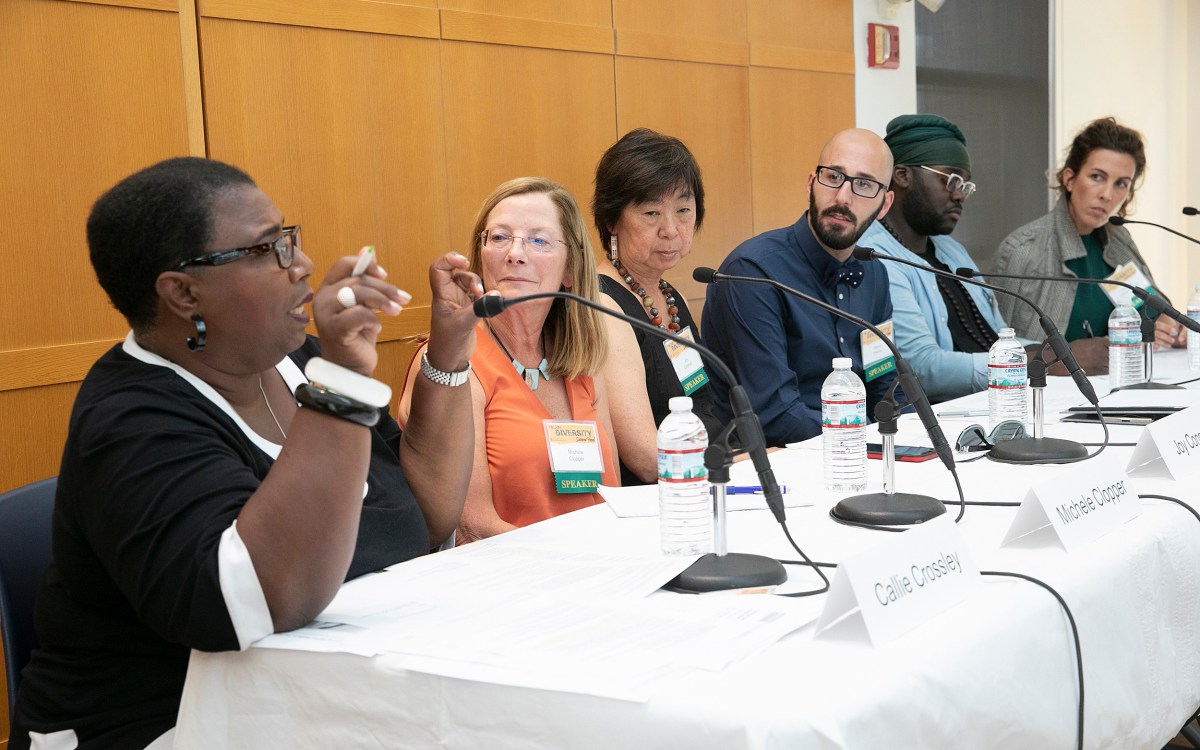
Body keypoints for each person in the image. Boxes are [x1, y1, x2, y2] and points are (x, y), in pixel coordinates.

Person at [10, 157, 480, 750]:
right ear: (183, 292)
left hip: (312, 698)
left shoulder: (298, 361)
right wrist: (338, 389)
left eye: (289, 238)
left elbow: (421, 516)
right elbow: (253, 600)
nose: (302, 264)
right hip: (161, 723)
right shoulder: (130, 419)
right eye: (267, 250)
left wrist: (451, 346)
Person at [398, 177, 621, 544]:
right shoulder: (454, 365)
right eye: (499, 237)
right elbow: (471, 526)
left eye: (538, 240)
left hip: (604, 572)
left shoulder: (583, 361)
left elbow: (612, 495)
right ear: (481, 255)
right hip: (515, 581)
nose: (515, 253)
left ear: (570, 269)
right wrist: (576, 565)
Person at [860, 114, 1108, 403]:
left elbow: (996, 336)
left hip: (996, 398)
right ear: (902, 176)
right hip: (938, 417)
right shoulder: (874, 256)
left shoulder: (952, 251)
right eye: (951, 180)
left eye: (966, 186)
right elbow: (921, 368)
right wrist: (1044, 360)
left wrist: (1060, 352)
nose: (961, 196)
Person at [702, 128, 899, 447]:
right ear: (811, 183)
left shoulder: (874, 274)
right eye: (833, 176)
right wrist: (863, 440)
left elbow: (885, 384)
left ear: (885, 204)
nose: (843, 198)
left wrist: (906, 435)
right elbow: (776, 415)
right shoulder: (753, 272)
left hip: (856, 451)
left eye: (863, 184)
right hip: (779, 464)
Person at [592, 128, 720, 484]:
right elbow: (646, 456)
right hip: (660, 498)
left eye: (683, 210)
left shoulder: (667, 293)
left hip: (701, 472)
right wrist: (736, 469)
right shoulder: (603, 306)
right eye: (651, 213)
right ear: (611, 220)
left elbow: (701, 403)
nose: (671, 229)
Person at [993, 117, 1184, 348]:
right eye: (1097, 177)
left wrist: (1172, 329)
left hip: (1116, 378)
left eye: (1121, 184)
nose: (1107, 194)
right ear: (1069, 179)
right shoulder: (1023, 251)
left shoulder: (1119, 239)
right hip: (1050, 383)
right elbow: (995, 348)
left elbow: (1154, 313)